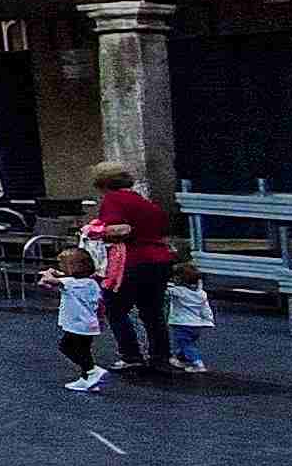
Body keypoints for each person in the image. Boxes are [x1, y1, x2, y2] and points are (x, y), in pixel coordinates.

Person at [87, 161, 177, 376]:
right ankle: (160, 357)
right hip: (160, 259)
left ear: (102, 183)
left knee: (115, 308)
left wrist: (96, 232)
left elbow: (120, 229)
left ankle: (131, 356)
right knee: (153, 311)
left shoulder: (113, 200)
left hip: (133, 260)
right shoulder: (145, 202)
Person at [40, 248, 110, 392]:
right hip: (89, 324)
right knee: (84, 350)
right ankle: (87, 379)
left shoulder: (70, 283)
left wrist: (48, 273)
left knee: (67, 347)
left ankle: (92, 371)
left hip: (77, 324)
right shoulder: (91, 283)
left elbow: (46, 282)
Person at [166, 259, 214, 373]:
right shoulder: (201, 294)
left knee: (185, 343)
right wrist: (209, 319)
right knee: (187, 343)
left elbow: (165, 291)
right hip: (197, 324)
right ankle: (179, 358)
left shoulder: (178, 291)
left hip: (182, 323)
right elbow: (205, 308)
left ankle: (197, 363)